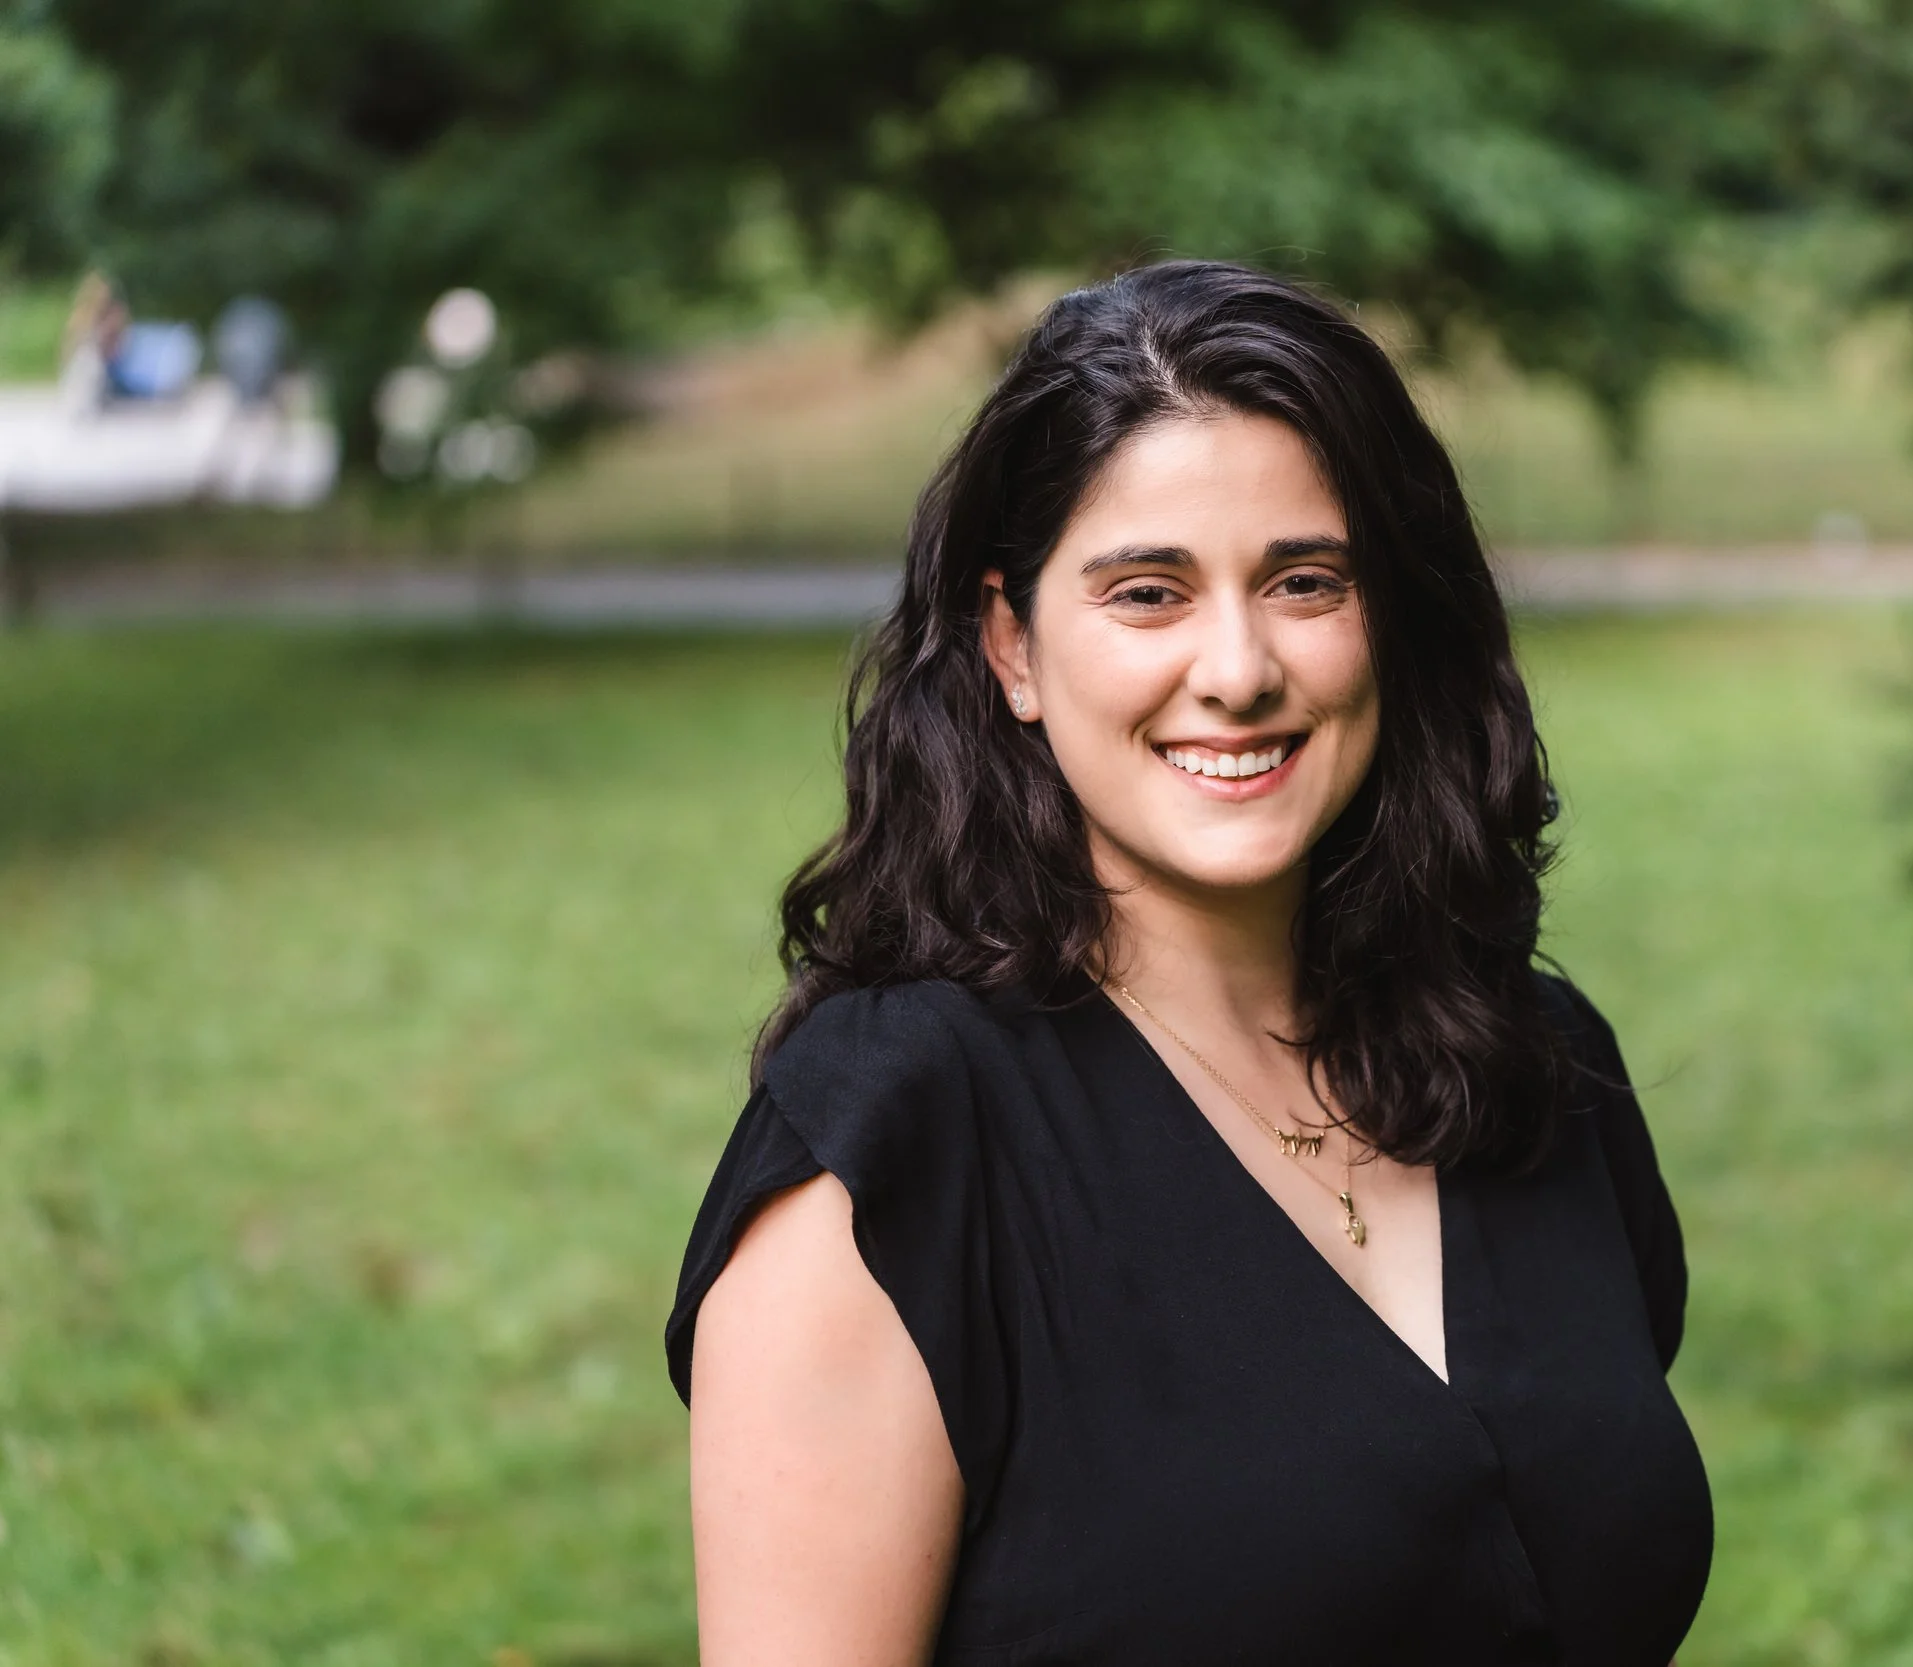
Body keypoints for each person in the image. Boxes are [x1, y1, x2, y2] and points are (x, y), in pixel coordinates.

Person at [665, 260, 1711, 1665]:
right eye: (1149, 593)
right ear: (1011, 646)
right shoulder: (898, 1143)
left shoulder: (1539, 1064)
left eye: (1305, 580)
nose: (1238, 666)